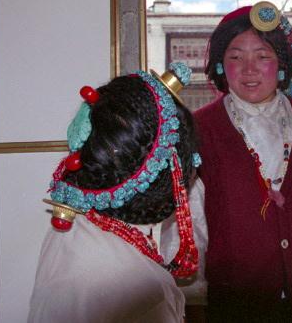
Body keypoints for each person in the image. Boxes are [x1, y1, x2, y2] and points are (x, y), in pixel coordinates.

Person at [174, 1, 292, 321]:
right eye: (236, 56)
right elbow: (191, 233)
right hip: (237, 310)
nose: (249, 68)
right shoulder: (197, 131)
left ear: (281, 65)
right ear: (221, 66)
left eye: (263, 56)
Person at [28, 63, 202, 322]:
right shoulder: (145, 292)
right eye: (191, 157)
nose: (196, 166)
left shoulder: (78, 228)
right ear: (171, 181)